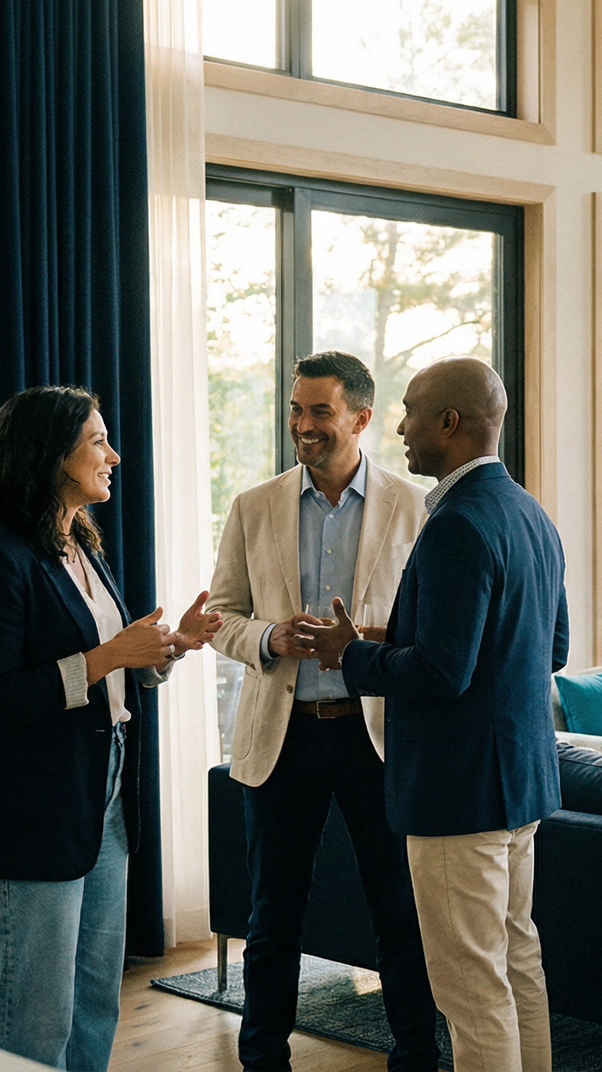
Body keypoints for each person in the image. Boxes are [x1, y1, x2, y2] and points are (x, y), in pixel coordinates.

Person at [301, 358, 569, 1072]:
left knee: (470, 992)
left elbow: (442, 674)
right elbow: (550, 647)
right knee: (518, 968)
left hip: (458, 796)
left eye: (412, 409)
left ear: (449, 423)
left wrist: (349, 657)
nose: (399, 425)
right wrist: (388, 640)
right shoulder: (529, 511)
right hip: (520, 784)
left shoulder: (455, 522)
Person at [0, 385, 218, 1071]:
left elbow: (111, 677)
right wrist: (108, 656)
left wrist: (170, 647)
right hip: (27, 816)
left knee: (95, 1000)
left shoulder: (78, 547)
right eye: (98, 441)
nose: (115, 456)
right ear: (50, 452)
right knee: (26, 1020)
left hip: (102, 803)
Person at [206, 352, 438, 1071]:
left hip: (378, 740)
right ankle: (262, 1060)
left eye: (320, 412)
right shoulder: (254, 505)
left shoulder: (415, 508)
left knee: (399, 916)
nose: (303, 426)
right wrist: (268, 637)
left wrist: (367, 642)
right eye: (296, 410)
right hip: (284, 740)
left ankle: (415, 1058)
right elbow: (219, 616)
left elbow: (429, 628)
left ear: (362, 418)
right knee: (272, 918)